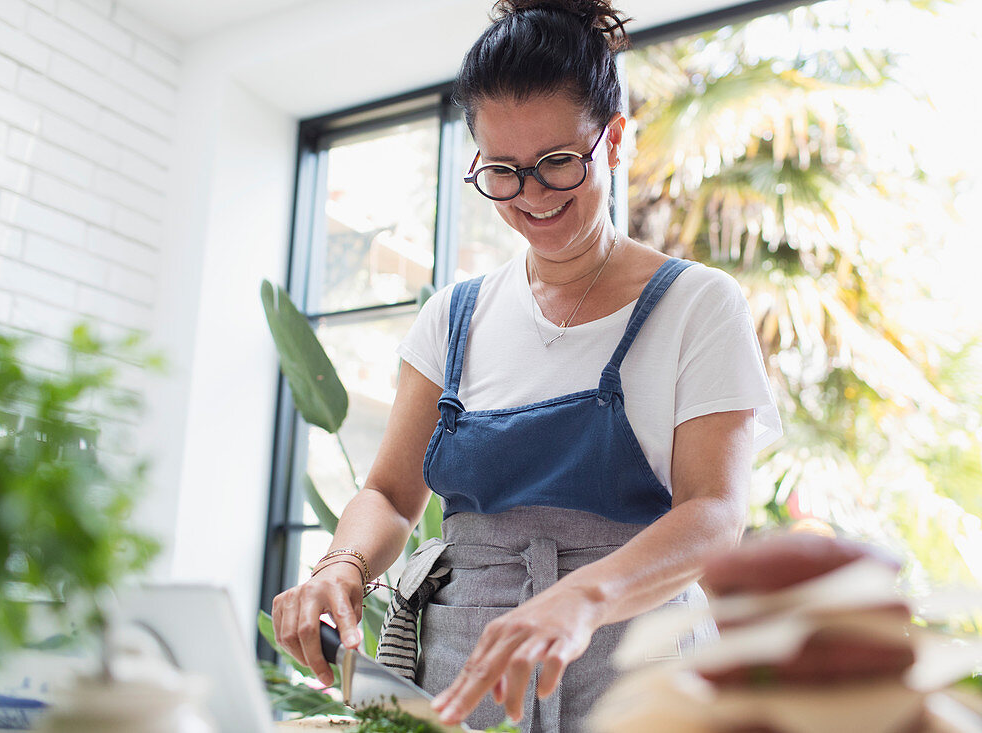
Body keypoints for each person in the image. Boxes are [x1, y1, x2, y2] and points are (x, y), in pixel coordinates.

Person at [271, 1, 783, 731]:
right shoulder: (453, 316)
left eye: (556, 163)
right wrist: (341, 566)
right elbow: (389, 494)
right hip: (458, 682)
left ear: (612, 139)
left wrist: (585, 594)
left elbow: (715, 513)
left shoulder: (697, 304)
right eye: (503, 172)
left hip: (641, 678)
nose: (533, 196)